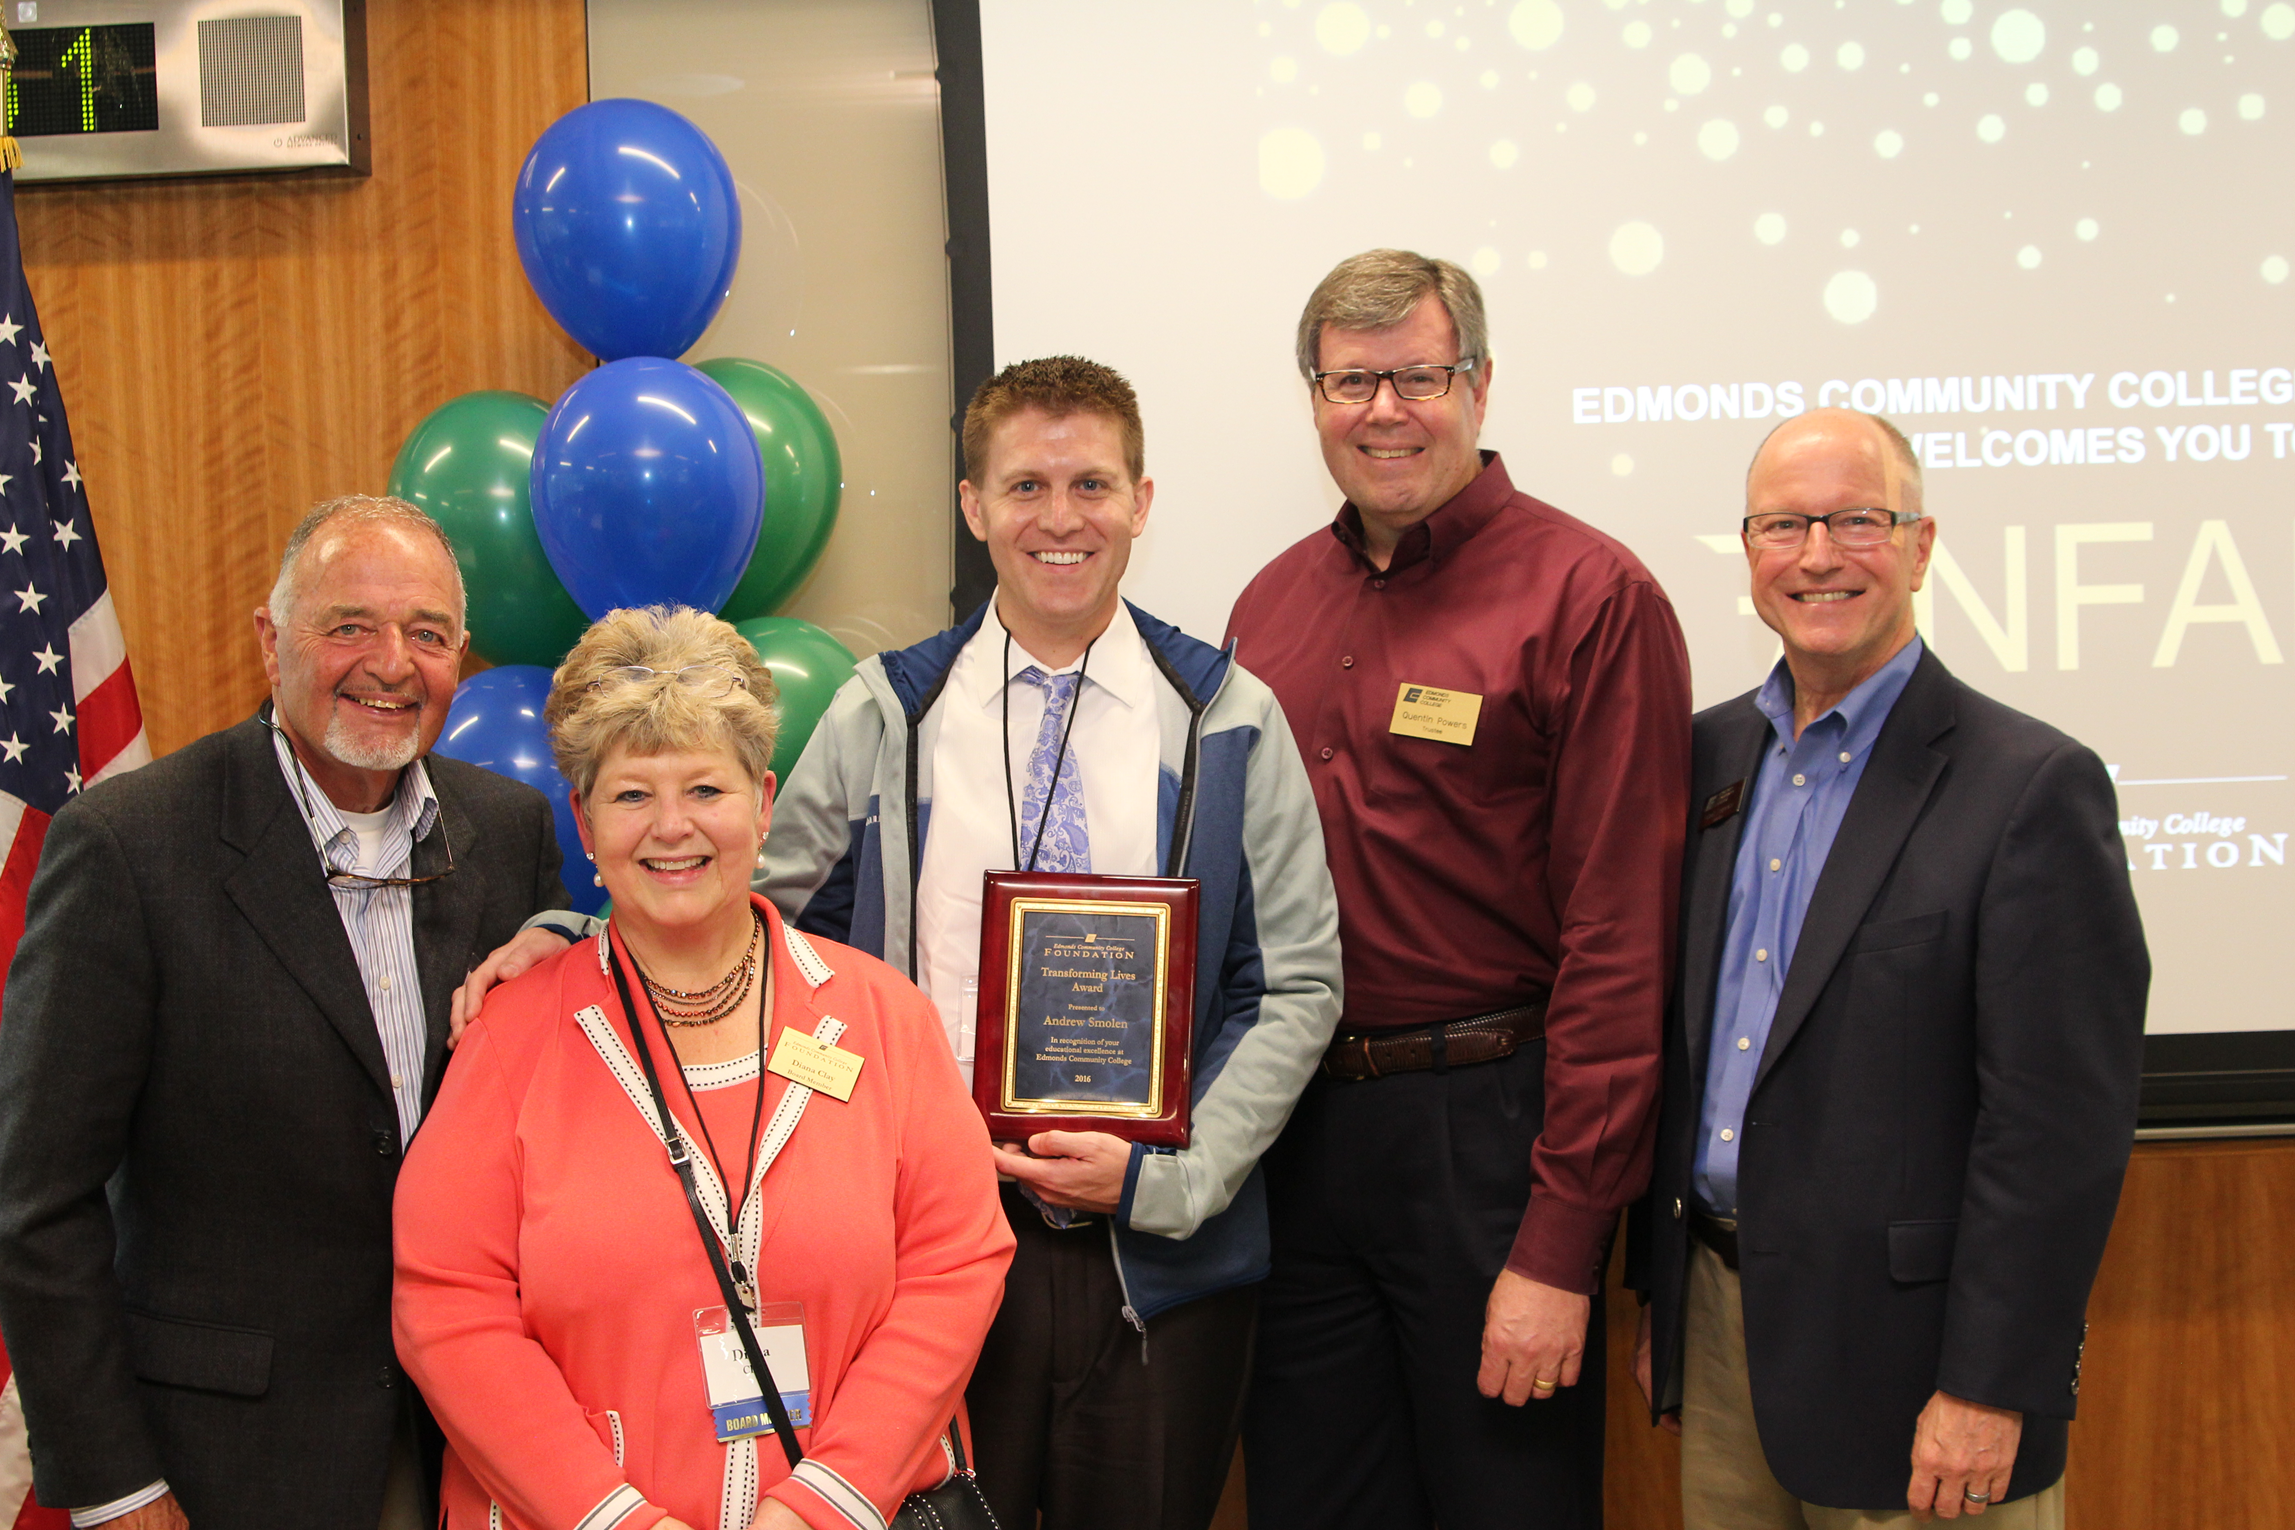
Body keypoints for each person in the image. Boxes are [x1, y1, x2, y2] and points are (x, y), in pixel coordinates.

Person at [1224, 249, 1692, 1529]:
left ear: (1480, 385)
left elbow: (1619, 941)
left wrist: (1559, 1243)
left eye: (1419, 377)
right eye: (1351, 382)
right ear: (1314, 396)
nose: (1386, 411)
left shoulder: (1593, 596)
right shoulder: (1267, 606)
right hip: (1298, 1141)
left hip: (1490, 1142)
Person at [0, 496, 577, 1530]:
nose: (392, 664)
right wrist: (115, 1484)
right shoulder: (132, 846)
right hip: (220, 1462)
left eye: (428, 635)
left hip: (473, 1443)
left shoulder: (510, 831)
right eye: (349, 624)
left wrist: (578, 945)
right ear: (272, 641)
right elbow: (36, 1197)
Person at [1625, 408, 2147, 1528]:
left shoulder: (2028, 786)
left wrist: (1991, 1384)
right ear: (1750, 553)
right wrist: (1661, 1293)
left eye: (1858, 519)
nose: (1818, 555)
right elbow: (1683, 1043)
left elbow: (2059, 1128)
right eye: (1785, 525)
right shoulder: (1705, 757)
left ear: (1920, 543)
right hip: (1721, 1333)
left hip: (1922, 1373)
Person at [392, 605, 1013, 1530]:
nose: (671, 828)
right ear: (584, 820)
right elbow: (450, 1307)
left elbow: (955, 1267)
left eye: (706, 791)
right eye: (633, 794)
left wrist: (822, 1506)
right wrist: (610, 1519)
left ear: (763, 805)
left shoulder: (884, 1021)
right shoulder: (509, 1037)